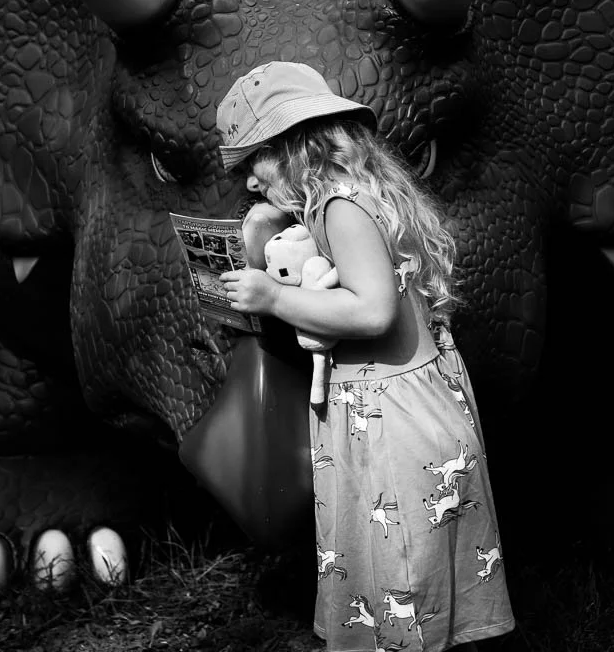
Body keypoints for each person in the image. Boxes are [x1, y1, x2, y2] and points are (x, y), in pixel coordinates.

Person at [217, 61, 515, 652]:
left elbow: (374, 310)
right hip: (412, 404)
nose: (251, 182)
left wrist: (274, 297)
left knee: (400, 576)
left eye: (256, 161)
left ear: (295, 143)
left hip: (389, 422)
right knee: (414, 576)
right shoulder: (359, 194)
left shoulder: (339, 206)